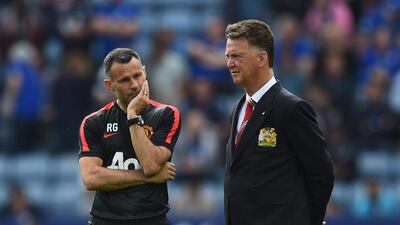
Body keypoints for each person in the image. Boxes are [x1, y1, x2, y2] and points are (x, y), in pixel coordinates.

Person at [223, 19, 334, 225]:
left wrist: (311, 220)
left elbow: (321, 173)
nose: (230, 63)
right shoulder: (238, 109)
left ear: (261, 58)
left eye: (237, 56)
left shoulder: (291, 109)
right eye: (228, 56)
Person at [78, 48, 181, 225]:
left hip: (152, 219)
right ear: (109, 85)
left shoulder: (166, 114)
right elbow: (91, 178)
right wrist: (146, 177)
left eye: (137, 75)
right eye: (125, 80)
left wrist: (132, 115)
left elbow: (151, 165)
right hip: (106, 220)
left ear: (145, 72)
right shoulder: (93, 122)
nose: (134, 85)